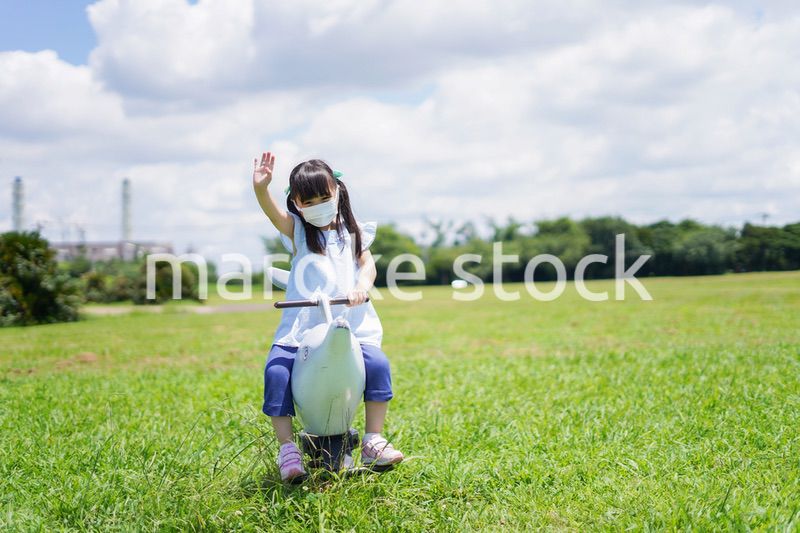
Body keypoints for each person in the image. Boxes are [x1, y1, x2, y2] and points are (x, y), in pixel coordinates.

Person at [252, 152, 404, 482]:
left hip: (353, 322)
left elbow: (368, 265)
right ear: (297, 202)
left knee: (378, 364)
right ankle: (287, 448)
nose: (319, 204)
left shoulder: (353, 233)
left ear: (337, 191)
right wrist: (261, 190)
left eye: (325, 196)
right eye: (310, 200)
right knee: (277, 371)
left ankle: (372, 438)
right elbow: (273, 215)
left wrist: (362, 286)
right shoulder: (298, 233)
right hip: (302, 325)